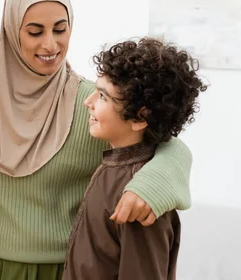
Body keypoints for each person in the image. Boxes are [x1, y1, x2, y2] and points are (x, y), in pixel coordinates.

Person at [0, 0, 193, 280]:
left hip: (75, 268)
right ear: (12, 32)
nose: (50, 44)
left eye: (60, 29)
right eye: (35, 32)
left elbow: (168, 143)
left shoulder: (95, 104)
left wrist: (150, 184)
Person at [62, 37, 208, 279]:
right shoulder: (115, 169)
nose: (87, 102)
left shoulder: (139, 202)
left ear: (140, 118)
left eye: (102, 97)